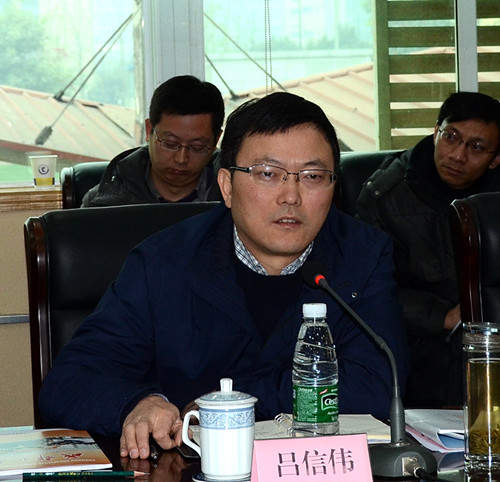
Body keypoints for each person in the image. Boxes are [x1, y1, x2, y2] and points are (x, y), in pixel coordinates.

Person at [39, 92, 410, 460]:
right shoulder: (164, 262)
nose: (291, 196)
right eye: (268, 174)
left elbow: (378, 386)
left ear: (333, 186)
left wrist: (229, 403)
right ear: (227, 186)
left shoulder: (363, 255)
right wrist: (135, 403)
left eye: (313, 176)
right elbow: (68, 383)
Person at [355, 91, 500, 408]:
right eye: (451, 137)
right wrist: (440, 317)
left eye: (476, 147)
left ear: (495, 159)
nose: (458, 155)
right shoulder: (385, 195)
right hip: (423, 338)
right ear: (436, 132)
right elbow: (363, 286)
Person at [82, 75, 225, 206]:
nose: (181, 159)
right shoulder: (104, 204)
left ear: (216, 140)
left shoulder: (232, 201)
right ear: (149, 129)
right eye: (170, 143)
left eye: (197, 147)